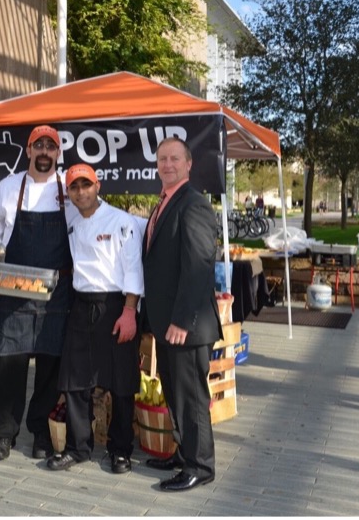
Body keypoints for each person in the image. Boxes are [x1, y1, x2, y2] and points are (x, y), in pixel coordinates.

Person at [0, 125, 77, 461]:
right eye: (39, 146)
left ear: (58, 153)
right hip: (13, 287)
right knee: (8, 363)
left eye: (51, 147)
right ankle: (4, 434)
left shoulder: (70, 190)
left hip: (56, 291)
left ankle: (41, 435)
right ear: (29, 150)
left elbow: (88, 229)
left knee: (50, 368)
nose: (45, 152)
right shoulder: (9, 187)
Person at [45, 164, 143, 474]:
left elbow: (133, 269)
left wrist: (129, 312)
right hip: (80, 305)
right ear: (69, 193)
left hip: (115, 305)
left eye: (86, 185)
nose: (80, 192)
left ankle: (121, 449)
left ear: (97, 186)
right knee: (74, 380)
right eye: (74, 187)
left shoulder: (121, 221)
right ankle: (79, 447)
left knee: (122, 382)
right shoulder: (72, 221)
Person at [141, 137, 222, 491]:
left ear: (188, 164)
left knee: (191, 398)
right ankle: (183, 452)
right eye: (162, 159)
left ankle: (200, 467)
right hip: (168, 323)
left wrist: (181, 320)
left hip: (185, 325)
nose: (167, 164)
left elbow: (199, 265)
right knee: (175, 393)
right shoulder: (165, 203)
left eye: (175, 158)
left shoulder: (194, 205)